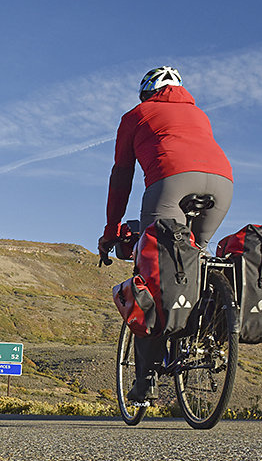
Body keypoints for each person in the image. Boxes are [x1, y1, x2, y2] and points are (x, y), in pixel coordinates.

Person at [98, 66, 233, 402]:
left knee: (154, 274)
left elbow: (121, 177)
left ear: (146, 93)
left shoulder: (136, 114)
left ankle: (143, 384)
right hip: (223, 184)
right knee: (197, 260)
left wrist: (111, 230)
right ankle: (206, 336)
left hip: (171, 183)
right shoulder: (199, 115)